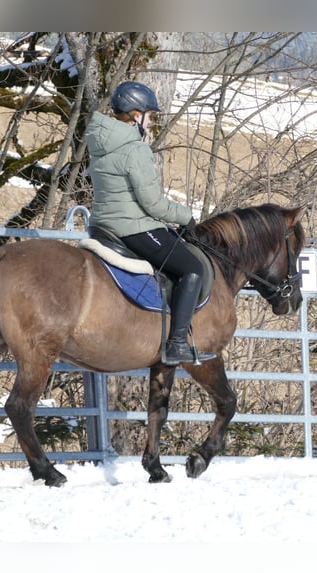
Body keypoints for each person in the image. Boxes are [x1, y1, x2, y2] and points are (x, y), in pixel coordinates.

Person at [84, 81, 215, 366]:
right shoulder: (134, 149)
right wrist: (187, 217)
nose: (152, 121)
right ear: (135, 114)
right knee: (192, 268)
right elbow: (152, 203)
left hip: (102, 226)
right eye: (150, 115)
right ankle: (178, 343)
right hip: (134, 228)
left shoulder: (101, 143)